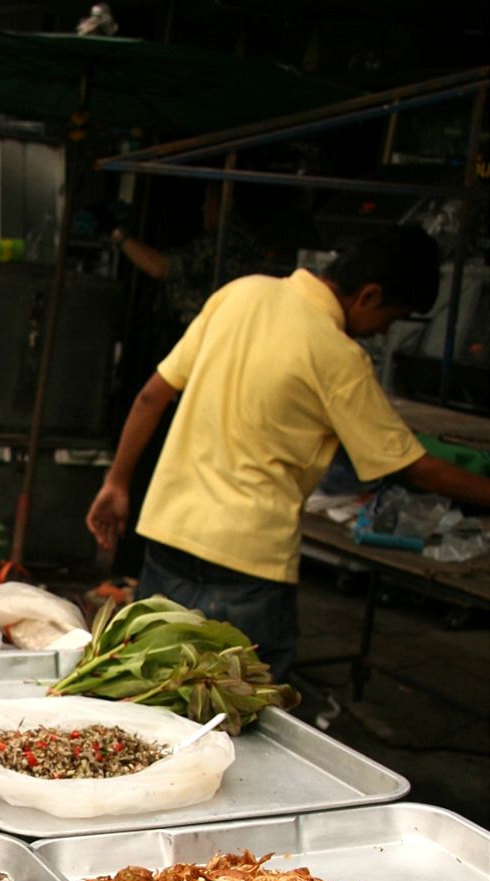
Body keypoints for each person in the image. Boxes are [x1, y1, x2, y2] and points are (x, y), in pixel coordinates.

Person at [86, 226, 490, 682]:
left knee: (150, 687)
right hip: (249, 560)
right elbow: (413, 469)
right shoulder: (341, 358)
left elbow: (151, 396)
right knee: (237, 708)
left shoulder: (241, 294)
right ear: (370, 295)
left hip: (169, 532)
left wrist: (116, 482)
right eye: (393, 318)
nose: (383, 331)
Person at [111, 185, 266, 332]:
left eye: (208, 201)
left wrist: (120, 236)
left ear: (226, 204)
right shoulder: (249, 242)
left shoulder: (220, 243)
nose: (204, 208)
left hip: (206, 329)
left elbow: (159, 268)